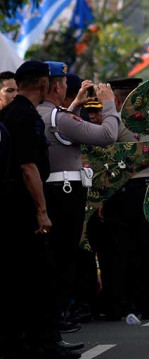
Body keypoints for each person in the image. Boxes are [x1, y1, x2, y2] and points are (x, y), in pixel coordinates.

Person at [0, 61, 81, 358]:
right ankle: (44, 343)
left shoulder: (11, 113)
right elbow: (28, 167)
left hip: (14, 206)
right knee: (40, 277)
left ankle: (27, 341)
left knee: (22, 278)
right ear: (45, 85)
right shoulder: (25, 116)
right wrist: (42, 210)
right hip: (24, 207)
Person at [37, 62, 121, 332]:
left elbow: (60, 126)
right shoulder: (58, 117)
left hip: (49, 191)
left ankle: (54, 316)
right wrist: (109, 105)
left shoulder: (40, 113)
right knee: (64, 257)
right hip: (64, 194)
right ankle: (56, 318)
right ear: (57, 86)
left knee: (54, 257)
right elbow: (108, 135)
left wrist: (73, 107)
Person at [98, 77, 149, 321]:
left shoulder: (117, 120)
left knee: (123, 249)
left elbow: (107, 154)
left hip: (125, 190)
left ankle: (125, 304)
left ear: (117, 98)